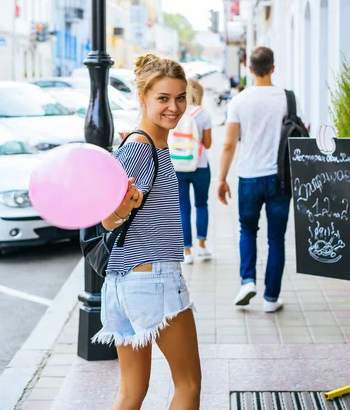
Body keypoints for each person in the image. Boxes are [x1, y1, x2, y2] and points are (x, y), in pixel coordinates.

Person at [93, 54, 201, 410]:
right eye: (163, 98)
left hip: (124, 282)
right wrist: (125, 206)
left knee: (130, 393)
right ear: (143, 98)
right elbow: (107, 218)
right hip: (152, 278)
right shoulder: (140, 148)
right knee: (188, 384)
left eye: (180, 97)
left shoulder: (151, 144)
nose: (174, 107)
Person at [217, 46, 296, 313]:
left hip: (249, 177)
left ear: (249, 69)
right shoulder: (288, 99)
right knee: (276, 238)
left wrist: (221, 179)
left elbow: (228, 145)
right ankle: (271, 298)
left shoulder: (239, 100)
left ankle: (247, 281)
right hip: (281, 178)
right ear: (273, 68)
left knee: (247, 230)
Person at [175, 79, 212, 265]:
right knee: (201, 205)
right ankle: (202, 245)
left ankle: (187, 251)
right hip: (200, 166)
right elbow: (208, 143)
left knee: (183, 208)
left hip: (178, 166)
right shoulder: (203, 115)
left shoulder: (178, 112)